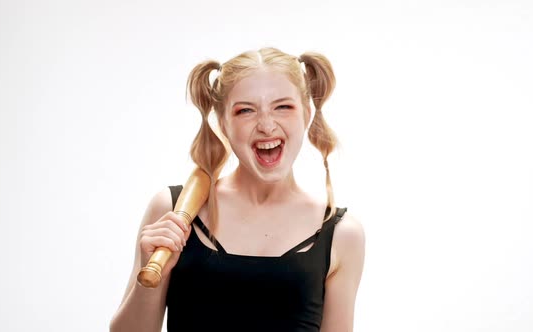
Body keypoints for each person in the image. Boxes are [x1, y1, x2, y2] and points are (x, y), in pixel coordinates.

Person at [110, 47, 365, 332]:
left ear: (306, 114)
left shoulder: (342, 235)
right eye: (245, 110)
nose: (267, 125)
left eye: (283, 107)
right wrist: (152, 274)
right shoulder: (172, 210)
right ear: (223, 123)